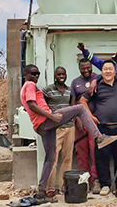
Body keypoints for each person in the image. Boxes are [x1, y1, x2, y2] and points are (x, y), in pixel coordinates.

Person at [20, 64, 117, 201]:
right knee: (80, 109)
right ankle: (99, 137)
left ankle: (42, 192)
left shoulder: (25, 88)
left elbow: (30, 107)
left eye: (38, 73)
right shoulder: (30, 85)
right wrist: (51, 116)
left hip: (41, 126)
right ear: (26, 74)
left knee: (50, 158)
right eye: (33, 73)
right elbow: (31, 104)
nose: (36, 76)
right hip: (47, 121)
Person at [80, 60, 117, 197]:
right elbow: (83, 101)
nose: (108, 71)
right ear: (101, 72)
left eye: (110, 69)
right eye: (105, 69)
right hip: (102, 128)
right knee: (102, 158)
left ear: (115, 71)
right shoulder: (96, 86)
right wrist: (90, 116)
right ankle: (105, 185)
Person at [42, 67, 74, 197]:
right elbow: (41, 105)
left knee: (67, 158)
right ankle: (50, 188)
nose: (61, 76)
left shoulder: (69, 90)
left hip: (70, 127)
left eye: (63, 74)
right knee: (53, 158)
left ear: (66, 75)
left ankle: (63, 187)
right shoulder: (47, 90)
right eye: (58, 74)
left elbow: (72, 107)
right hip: (55, 129)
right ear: (55, 76)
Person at [71, 59, 101, 194]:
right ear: (79, 69)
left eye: (88, 68)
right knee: (82, 151)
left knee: (94, 150)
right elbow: (73, 103)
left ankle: (96, 180)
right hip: (81, 123)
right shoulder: (75, 82)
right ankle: (84, 180)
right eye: (83, 68)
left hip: (95, 122)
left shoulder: (98, 78)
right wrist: (77, 119)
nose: (86, 70)